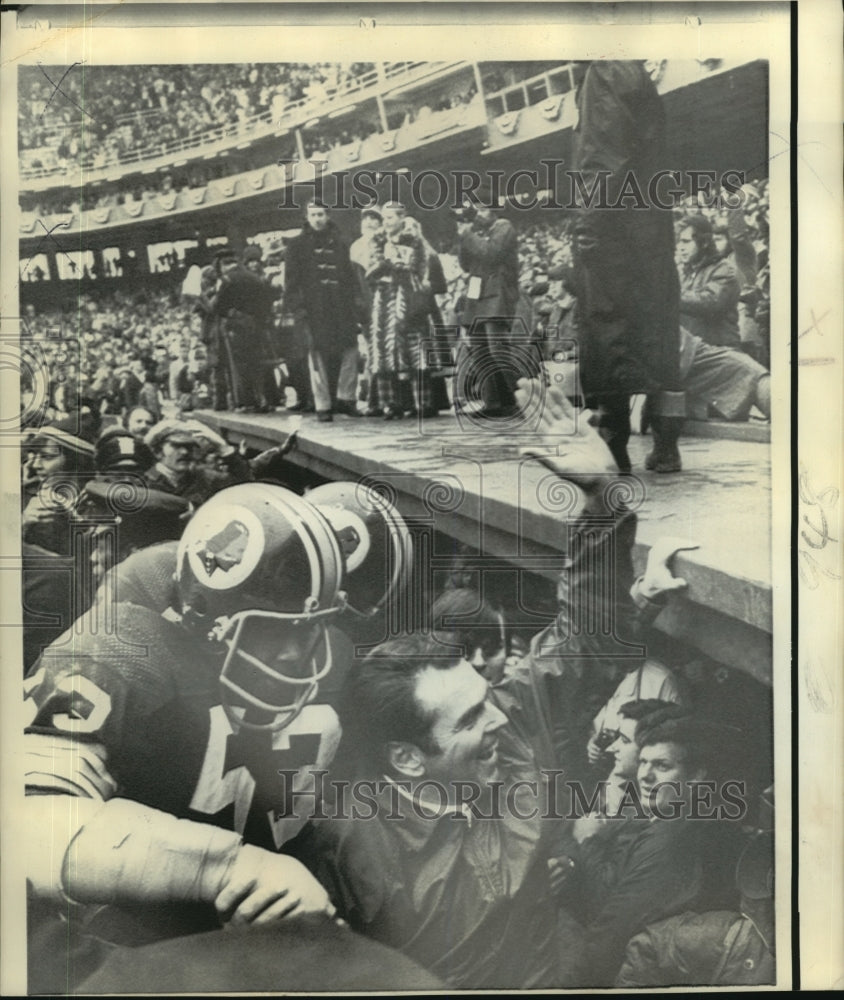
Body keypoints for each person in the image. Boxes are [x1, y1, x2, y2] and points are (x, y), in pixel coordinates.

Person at [297, 381, 700, 988]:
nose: (495, 721)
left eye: (484, 702)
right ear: (406, 760)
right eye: (465, 721)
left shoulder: (510, 728)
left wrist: (603, 495)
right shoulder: (347, 848)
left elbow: (581, 641)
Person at [23, 481, 410, 991]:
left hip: (281, 924)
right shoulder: (122, 648)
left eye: (315, 626)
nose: (302, 652)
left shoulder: (330, 652)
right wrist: (228, 867)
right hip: (144, 948)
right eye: (279, 629)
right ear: (211, 620)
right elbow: (28, 829)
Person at [550, 714, 743, 986]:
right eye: (642, 762)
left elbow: (610, 932)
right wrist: (572, 860)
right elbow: (603, 880)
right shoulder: (654, 813)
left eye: (662, 766)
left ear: (696, 777)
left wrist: (587, 842)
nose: (645, 775)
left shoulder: (674, 837)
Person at [571, 59, 685, 473]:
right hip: (651, 228)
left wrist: (587, 226)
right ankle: (667, 445)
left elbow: (601, 157)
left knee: (607, 333)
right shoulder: (633, 71)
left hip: (613, 232)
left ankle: (612, 446)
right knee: (658, 335)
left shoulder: (603, 71)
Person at [284, 200, 363, 422]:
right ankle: (323, 405)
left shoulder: (341, 243)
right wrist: (299, 310)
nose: (317, 219)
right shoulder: (296, 246)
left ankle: (347, 399)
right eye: (313, 215)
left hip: (341, 308)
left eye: (321, 214)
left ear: (327, 216)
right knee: (316, 356)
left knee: (350, 350)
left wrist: (356, 305)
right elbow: (291, 283)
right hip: (314, 310)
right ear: (307, 218)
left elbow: (350, 278)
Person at [455, 190, 527, 418]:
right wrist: (465, 236)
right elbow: (465, 264)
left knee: (498, 349)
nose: (479, 213)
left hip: (498, 293)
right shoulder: (475, 232)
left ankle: (522, 398)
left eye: (483, 208)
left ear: (494, 210)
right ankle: (493, 401)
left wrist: (467, 235)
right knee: (479, 349)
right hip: (478, 294)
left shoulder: (504, 227)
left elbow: (491, 254)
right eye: (476, 209)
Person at [363, 202, 433, 419]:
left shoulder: (415, 240)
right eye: (384, 219)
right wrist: (388, 265)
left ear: (402, 218)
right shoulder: (377, 239)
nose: (386, 222)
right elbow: (372, 270)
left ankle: (422, 402)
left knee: (415, 350)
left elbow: (422, 269)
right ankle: (390, 404)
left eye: (390, 218)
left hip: (410, 298)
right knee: (385, 352)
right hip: (385, 299)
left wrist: (403, 269)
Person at [209, 247, 278, 413]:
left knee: (240, 366)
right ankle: (267, 399)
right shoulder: (255, 277)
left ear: (223, 265)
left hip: (236, 328)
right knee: (259, 364)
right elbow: (267, 302)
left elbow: (218, 307)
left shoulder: (227, 280)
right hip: (257, 326)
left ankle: (247, 402)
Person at [677, 214, 742, 349]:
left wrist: (669, 295)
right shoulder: (683, 271)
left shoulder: (725, 269)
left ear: (705, 242)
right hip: (694, 352)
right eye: (678, 242)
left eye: (686, 241)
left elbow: (710, 302)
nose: (680, 247)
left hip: (721, 352)